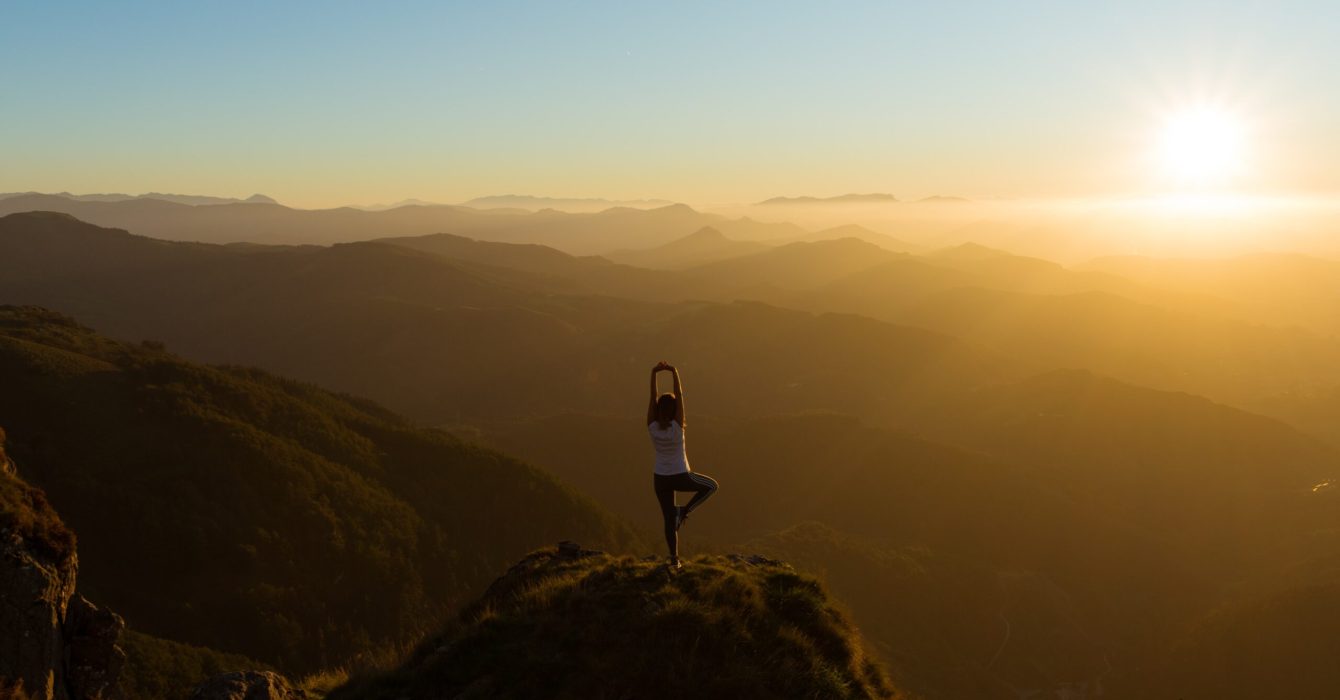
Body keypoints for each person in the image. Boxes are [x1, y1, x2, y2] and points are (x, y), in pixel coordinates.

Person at [647, 361, 718, 570]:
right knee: (712, 486)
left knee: (668, 520)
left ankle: (674, 559)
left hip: (660, 479)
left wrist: (654, 373)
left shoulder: (651, 426)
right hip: (680, 475)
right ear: (675, 409)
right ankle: (685, 511)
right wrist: (674, 372)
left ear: (658, 408)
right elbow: (680, 394)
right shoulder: (678, 426)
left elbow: (652, 397)